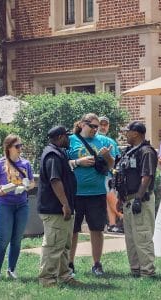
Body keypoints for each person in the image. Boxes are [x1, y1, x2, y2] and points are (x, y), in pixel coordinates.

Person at [68, 113, 114, 276]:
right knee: (72, 231)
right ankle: (69, 264)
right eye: (92, 126)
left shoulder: (103, 141)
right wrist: (78, 162)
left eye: (98, 126)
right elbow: (61, 163)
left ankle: (96, 264)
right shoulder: (70, 140)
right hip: (75, 193)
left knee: (97, 229)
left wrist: (107, 156)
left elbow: (110, 165)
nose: (96, 129)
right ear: (82, 124)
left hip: (97, 193)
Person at [0, 134, 35, 283]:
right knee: (3, 239)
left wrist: (28, 186)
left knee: (17, 239)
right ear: (9, 148)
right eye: (17, 146)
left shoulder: (26, 164)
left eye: (21, 146)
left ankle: (11, 270)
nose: (20, 148)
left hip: (22, 205)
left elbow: (32, 183)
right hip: (4, 206)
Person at [37, 125, 79, 287]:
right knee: (53, 245)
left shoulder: (58, 153)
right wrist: (65, 205)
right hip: (55, 209)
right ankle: (47, 279)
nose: (69, 139)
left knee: (63, 245)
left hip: (61, 208)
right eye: (67, 136)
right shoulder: (52, 155)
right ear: (61, 137)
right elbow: (55, 181)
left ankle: (65, 276)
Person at [115, 121, 157, 277]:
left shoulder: (146, 152)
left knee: (142, 235)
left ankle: (147, 271)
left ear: (136, 133)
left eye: (128, 131)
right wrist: (120, 198)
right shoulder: (129, 151)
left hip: (141, 199)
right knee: (131, 238)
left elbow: (146, 176)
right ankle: (135, 270)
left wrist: (138, 198)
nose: (126, 134)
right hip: (127, 199)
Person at [98, 116, 123, 233]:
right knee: (110, 197)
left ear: (108, 126)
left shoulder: (111, 141)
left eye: (105, 125)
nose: (103, 127)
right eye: (100, 124)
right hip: (101, 175)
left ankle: (113, 224)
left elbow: (117, 160)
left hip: (109, 174)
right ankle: (124, 218)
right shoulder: (95, 140)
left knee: (110, 198)